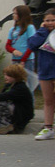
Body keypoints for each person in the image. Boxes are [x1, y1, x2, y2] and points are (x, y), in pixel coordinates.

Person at [26, 8, 55, 140]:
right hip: (45, 71)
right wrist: (42, 31)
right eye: (47, 20)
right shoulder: (41, 33)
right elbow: (32, 44)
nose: (50, 23)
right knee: (48, 100)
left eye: (53, 20)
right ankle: (48, 128)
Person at [0, 64, 34, 135]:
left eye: (8, 75)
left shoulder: (21, 87)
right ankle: (4, 126)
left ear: (16, 76)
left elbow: (4, 96)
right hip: (14, 113)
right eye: (5, 75)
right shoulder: (9, 85)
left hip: (22, 115)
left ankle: (10, 126)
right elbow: (1, 98)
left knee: (3, 103)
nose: (5, 77)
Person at [6, 5, 39, 93]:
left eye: (15, 13)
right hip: (15, 60)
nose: (13, 15)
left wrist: (23, 60)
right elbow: (8, 45)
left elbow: (31, 45)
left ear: (21, 15)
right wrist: (13, 50)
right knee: (16, 85)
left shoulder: (30, 28)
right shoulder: (12, 30)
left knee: (28, 86)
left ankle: (29, 105)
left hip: (27, 60)